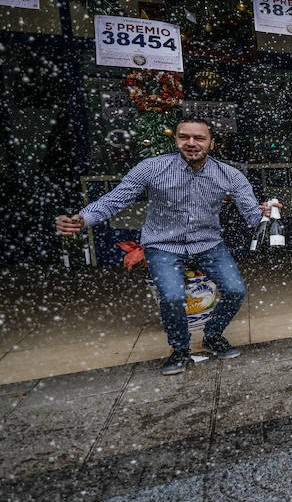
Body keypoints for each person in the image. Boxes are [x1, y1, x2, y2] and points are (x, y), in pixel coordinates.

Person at [54, 118, 279, 376]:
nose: (191, 143)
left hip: (207, 243)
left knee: (235, 290)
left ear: (212, 143)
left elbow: (253, 216)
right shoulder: (151, 168)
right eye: (185, 137)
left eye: (199, 138)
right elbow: (114, 200)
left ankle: (213, 336)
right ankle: (180, 349)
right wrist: (83, 219)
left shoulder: (230, 175)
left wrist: (266, 212)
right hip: (162, 244)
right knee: (172, 296)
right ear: (176, 140)